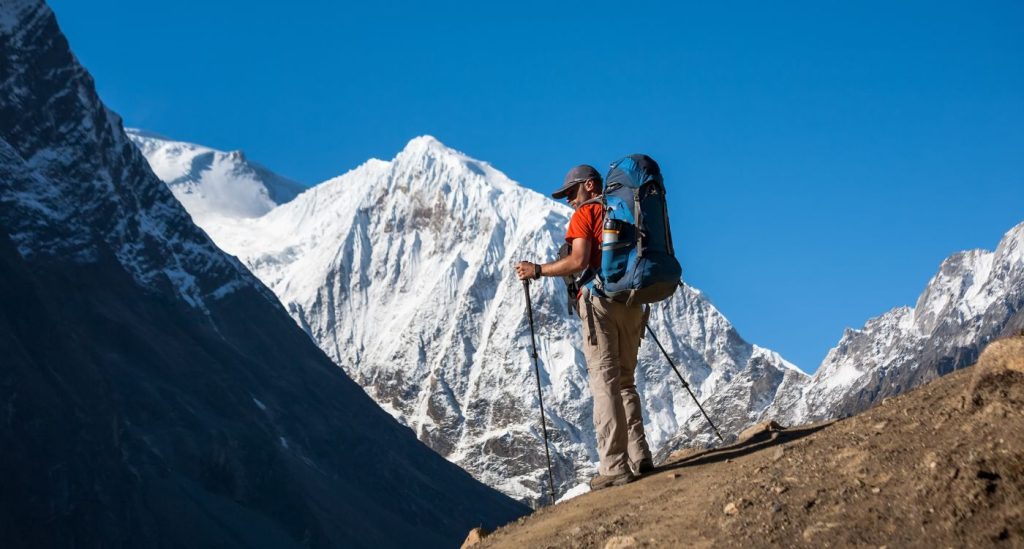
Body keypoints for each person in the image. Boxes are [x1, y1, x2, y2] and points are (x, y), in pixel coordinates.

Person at [515, 165, 654, 490]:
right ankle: (640, 456)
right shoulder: (629, 212)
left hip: (599, 302)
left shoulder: (586, 214)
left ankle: (614, 466)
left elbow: (579, 261)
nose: (568, 201)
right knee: (625, 381)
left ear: (590, 186)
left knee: (605, 381)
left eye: (571, 192)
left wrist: (537, 270)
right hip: (633, 302)